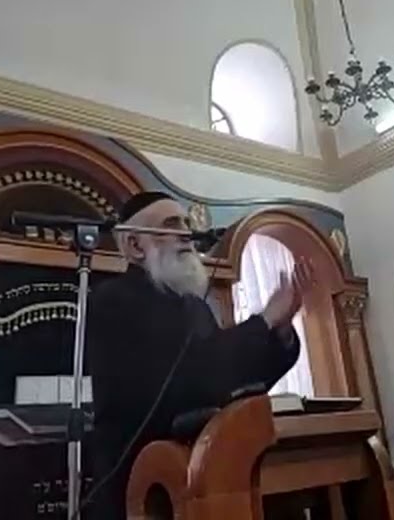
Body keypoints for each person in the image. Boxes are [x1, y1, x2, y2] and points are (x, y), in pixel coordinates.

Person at [85, 191, 317, 519]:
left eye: (186, 224)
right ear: (135, 245)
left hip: (205, 470)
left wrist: (279, 331)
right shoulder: (113, 301)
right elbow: (191, 376)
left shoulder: (194, 307)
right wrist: (264, 320)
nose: (187, 234)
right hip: (144, 485)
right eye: (171, 225)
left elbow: (229, 374)